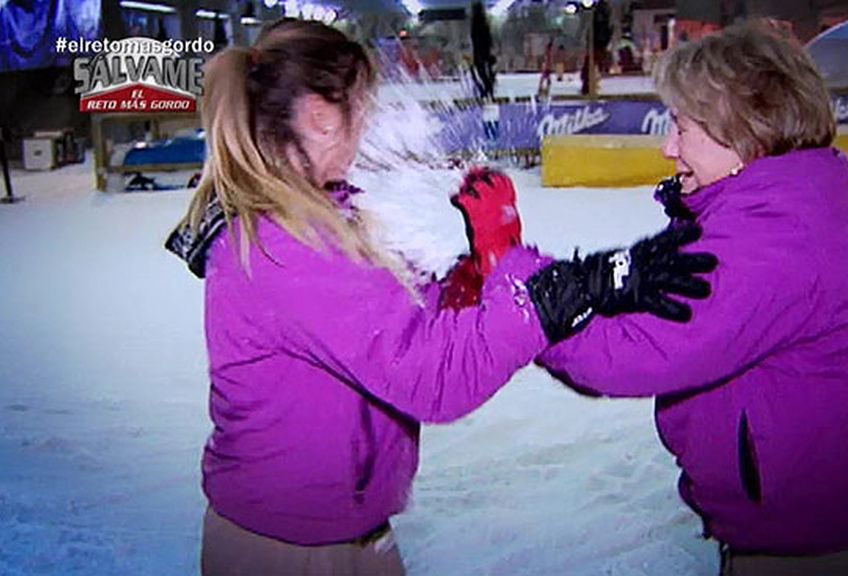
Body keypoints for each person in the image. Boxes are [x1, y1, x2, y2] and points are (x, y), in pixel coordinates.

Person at [164, 19, 716, 576]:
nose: (369, 122)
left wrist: (479, 271)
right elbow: (432, 377)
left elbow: (408, 322)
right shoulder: (287, 245)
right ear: (320, 116)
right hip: (286, 549)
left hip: (341, 529)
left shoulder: (324, 214)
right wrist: (560, 294)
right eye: (362, 105)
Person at [464, 20, 848, 575]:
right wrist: (523, 268)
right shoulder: (776, 202)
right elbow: (638, 284)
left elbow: (634, 352)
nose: (667, 146)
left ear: (743, 132)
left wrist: (512, 276)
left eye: (681, 126)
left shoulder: (775, 237)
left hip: (843, 536)